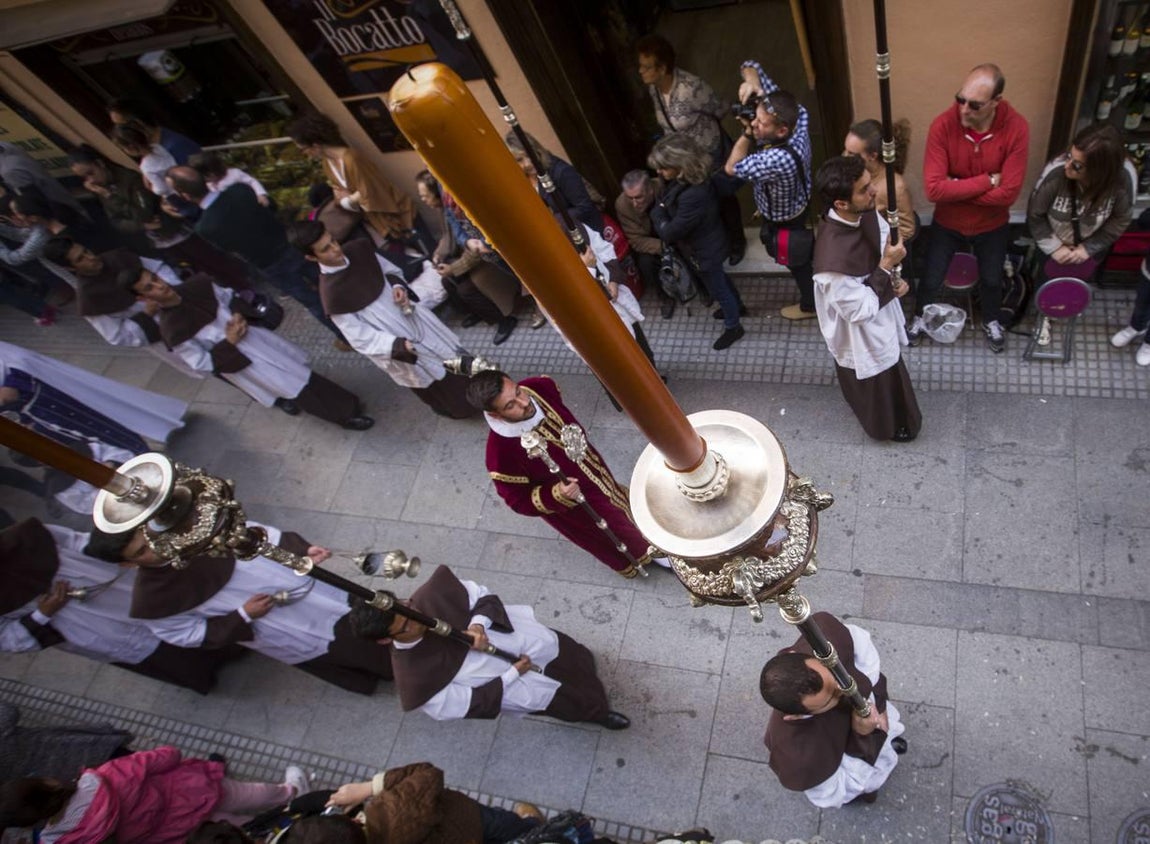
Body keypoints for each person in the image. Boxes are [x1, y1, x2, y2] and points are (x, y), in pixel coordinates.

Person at [84, 520, 394, 695]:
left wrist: (299, 549)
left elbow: (252, 533)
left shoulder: (189, 530)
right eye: (142, 550)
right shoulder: (151, 601)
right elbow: (186, 634)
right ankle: (401, 669)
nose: (156, 546)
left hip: (313, 585)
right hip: (286, 622)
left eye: (148, 536)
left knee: (372, 609)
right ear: (127, 563)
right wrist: (243, 615)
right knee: (355, 647)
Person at [350, 565, 630, 729]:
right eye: (406, 626)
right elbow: (471, 704)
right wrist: (512, 674)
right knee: (567, 701)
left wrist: (478, 626)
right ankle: (598, 714)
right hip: (520, 684)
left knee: (569, 655)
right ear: (386, 639)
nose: (417, 619)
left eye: (407, 607)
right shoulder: (415, 679)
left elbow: (483, 597)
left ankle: (584, 667)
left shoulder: (431, 595)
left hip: (529, 641)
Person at [123, 266, 374, 430]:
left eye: (154, 278)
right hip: (242, 361)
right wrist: (229, 342)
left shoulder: (197, 285)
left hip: (256, 339)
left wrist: (238, 313)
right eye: (149, 288)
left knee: (302, 374)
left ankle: (347, 403)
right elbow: (200, 362)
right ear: (143, 299)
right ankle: (344, 416)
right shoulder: (172, 329)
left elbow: (228, 297)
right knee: (295, 388)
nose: (159, 286)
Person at [0, 518, 233, 694]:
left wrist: (118, 555)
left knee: (173, 608)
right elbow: (8, 638)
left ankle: (232, 641)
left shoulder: (21, 536)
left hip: (111, 584)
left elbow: (74, 540)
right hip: (88, 625)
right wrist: (42, 614)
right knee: (164, 652)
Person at [466, 370, 657, 578]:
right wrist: (557, 494)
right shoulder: (500, 452)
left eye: (518, 392)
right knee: (618, 529)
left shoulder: (538, 388)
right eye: (510, 406)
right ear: (495, 415)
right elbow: (517, 500)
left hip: (595, 471)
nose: (523, 403)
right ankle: (653, 554)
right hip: (578, 506)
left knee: (620, 501)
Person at [287, 219, 480, 419]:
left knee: (451, 352)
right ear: (311, 257)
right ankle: (463, 408)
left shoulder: (358, 249)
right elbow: (359, 337)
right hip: (398, 343)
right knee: (437, 379)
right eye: (325, 249)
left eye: (333, 240)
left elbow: (390, 270)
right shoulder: (332, 294)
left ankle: (484, 383)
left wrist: (398, 287)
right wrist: (396, 344)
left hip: (412, 317)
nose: (335, 249)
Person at [164, 165, 348, 346]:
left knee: (312, 301)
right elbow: (268, 207)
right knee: (330, 280)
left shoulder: (205, 227)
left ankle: (346, 337)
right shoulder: (239, 191)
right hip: (291, 245)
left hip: (269, 264)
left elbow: (227, 249)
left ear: (185, 196)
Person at [917, 63, 1030, 353]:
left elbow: (1008, 195)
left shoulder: (1016, 129)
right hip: (948, 222)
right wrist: (987, 180)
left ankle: (991, 320)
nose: (964, 109)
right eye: (960, 99)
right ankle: (918, 317)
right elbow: (933, 189)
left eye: (975, 105)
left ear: (996, 102)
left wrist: (957, 187)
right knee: (931, 277)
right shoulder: (943, 125)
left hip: (991, 226)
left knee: (992, 279)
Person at [812, 155, 921, 442]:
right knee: (872, 385)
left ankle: (900, 418)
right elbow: (858, 311)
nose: (873, 191)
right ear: (841, 204)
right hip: (857, 332)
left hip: (880, 311)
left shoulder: (866, 211)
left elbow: (887, 243)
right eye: (864, 189)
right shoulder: (831, 263)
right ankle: (882, 428)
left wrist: (897, 277)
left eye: (869, 183)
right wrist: (886, 267)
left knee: (891, 372)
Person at [0, 748, 307, 844]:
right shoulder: (105, 776)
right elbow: (166, 756)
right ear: (48, 784)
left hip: (181, 832)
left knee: (237, 830)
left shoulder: (65, 839)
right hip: (193, 790)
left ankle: (275, 832)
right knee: (250, 794)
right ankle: (292, 793)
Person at [759, 612, 906, 808]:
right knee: (868, 786)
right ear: (794, 715)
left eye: (833, 674)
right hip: (856, 761)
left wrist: (874, 701)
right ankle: (868, 795)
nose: (846, 690)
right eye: (831, 698)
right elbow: (835, 791)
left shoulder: (822, 639)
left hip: (876, 714)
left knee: (887, 739)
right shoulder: (799, 757)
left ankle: (887, 742)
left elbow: (861, 646)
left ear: (798, 654)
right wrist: (863, 735)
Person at [68, 146, 252, 286]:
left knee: (210, 258)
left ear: (100, 164)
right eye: (84, 178)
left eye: (90, 173)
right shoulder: (103, 190)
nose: (90, 181)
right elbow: (117, 222)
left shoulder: (129, 180)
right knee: (196, 266)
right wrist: (140, 225)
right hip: (158, 238)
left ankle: (243, 283)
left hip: (173, 229)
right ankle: (231, 288)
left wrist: (113, 199)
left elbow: (144, 213)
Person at [636, 33, 746, 266]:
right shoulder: (654, 90)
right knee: (701, 201)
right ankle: (720, 242)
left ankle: (737, 241)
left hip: (708, 153)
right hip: (681, 162)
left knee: (723, 196)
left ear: (662, 67)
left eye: (646, 67)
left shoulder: (691, 88)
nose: (641, 71)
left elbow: (719, 109)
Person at [724, 60, 815, 321]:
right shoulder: (798, 114)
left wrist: (747, 134)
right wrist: (753, 84)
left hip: (785, 218)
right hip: (799, 197)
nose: (756, 123)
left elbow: (732, 168)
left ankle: (810, 305)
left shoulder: (777, 159)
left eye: (762, 123)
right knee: (799, 258)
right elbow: (749, 64)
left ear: (782, 130)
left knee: (797, 263)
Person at [649, 133, 747, 350]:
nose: (659, 172)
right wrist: (662, 210)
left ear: (680, 165)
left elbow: (671, 232)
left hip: (704, 250)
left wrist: (658, 214)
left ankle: (734, 326)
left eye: (664, 167)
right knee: (720, 281)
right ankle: (737, 307)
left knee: (718, 288)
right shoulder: (691, 180)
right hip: (709, 243)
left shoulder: (692, 194)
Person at [415, 169, 519, 345]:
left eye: (425, 196)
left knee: (466, 289)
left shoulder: (458, 207)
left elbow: (475, 248)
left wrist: (453, 269)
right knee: (447, 283)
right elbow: (448, 236)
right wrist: (439, 254)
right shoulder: (444, 210)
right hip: (468, 254)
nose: (423, 200)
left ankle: (504, 320)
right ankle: (478, 313)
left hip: (484, 257)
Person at [322, 762, 540, 843]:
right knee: (511, 826)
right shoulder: (387, 812)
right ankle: (534, 825)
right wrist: (368, 788)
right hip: (468, 820)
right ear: (350, 822)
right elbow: (428, 774)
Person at [287, 112, 419, 245]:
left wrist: (348, 199)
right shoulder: (327, 164)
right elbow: (343, 197)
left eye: (302, 149)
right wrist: (352, 197)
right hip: (379, 223)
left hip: (399, 217)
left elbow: (371, 193)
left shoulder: (352, 159)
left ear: (315, 146)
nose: (304, 154)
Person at [1028, 123, 1131, 281]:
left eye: (1077, 166)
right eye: (1069, 156)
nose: (1067, 166)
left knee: (1077, 290)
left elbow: (1121, 218)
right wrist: (1054, 247)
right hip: (1052, 249)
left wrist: (1088, 249)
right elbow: (1035, 214)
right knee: (1045, 287)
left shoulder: (1123, 179)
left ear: (1099, 171)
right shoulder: (1056, 173)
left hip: (1091, 251)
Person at [505, 130, 605, 233]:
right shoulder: (521, 179)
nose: (527, 164)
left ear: (536, 149)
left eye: (529, 155)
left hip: (587, 233)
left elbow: (585, 207)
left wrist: (553, 220)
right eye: (519, 160)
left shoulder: (561, 171)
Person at [843, 118, 918, 244]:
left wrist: (882, 247)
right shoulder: (853, 168)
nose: (844, 156)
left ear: (872, 156)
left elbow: (906, 230)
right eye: (845, 150)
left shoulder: (894, 187)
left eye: (852, 154)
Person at [616, 170, 676, 318]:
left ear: (649, 190)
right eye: (630, 198)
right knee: (645, 263)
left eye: (639, 197)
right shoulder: (622, 204)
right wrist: (664, 248)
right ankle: (664, 298)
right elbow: (636, 239)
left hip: (671, 230)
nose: (634, 203)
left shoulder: (663, 188)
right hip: (649, 239)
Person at [0, 141, 87, 220]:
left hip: (59, 212)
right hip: (63, 198)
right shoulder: (5, 147)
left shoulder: (9, 172)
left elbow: (35, 201)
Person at [107, 96, 202, 165]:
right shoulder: (150, 151)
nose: (119, 132)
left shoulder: (174, 146)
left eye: (122, 126)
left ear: (139, 123)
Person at [190, 151, 270, 205]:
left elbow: (252, 181)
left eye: (205, 177)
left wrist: (260, 194)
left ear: (212, 174)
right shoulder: (210, 185)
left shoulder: (234, 174)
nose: (205, 180)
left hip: (249, 202)